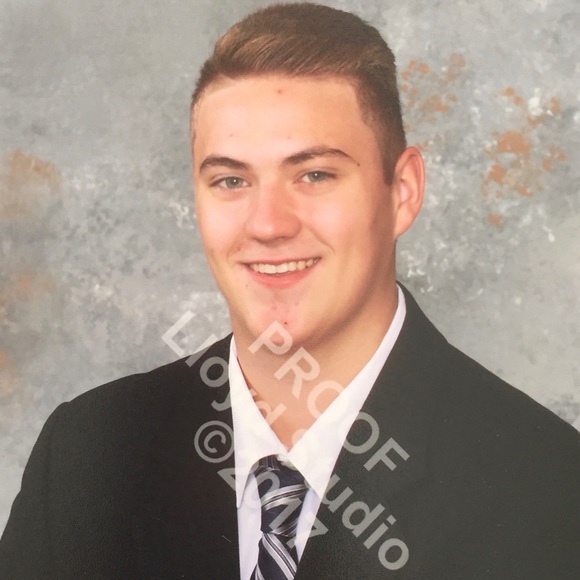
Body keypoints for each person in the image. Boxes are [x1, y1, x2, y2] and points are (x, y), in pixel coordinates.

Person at [1, 3, 578, 578]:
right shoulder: (86, 457)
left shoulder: (547, 490)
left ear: (402, 191)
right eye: (231, 180)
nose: (268, 224)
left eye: (315, 174)